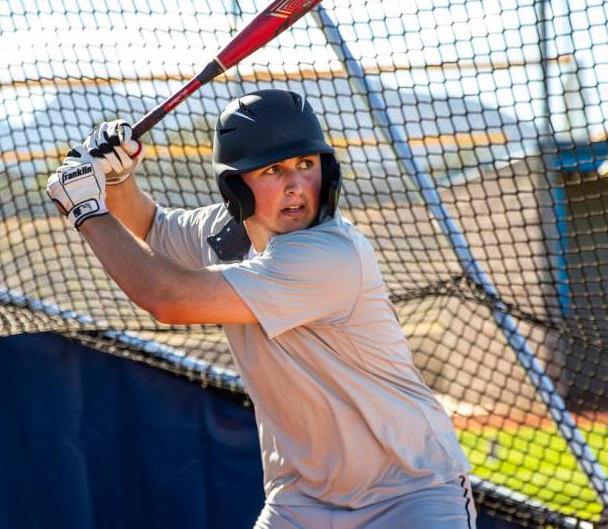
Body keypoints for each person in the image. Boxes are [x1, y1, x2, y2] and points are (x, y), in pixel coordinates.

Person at [47, 88, 476, 529]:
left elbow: (168, 298)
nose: (295, 186)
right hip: (301, 501)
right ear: (237, 186)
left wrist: (86, 210)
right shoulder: (224, 232)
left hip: (408, 496)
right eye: (274, 170)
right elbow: (151, 225)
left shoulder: (328, 255)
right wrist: (117, 180)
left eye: (306, 165)